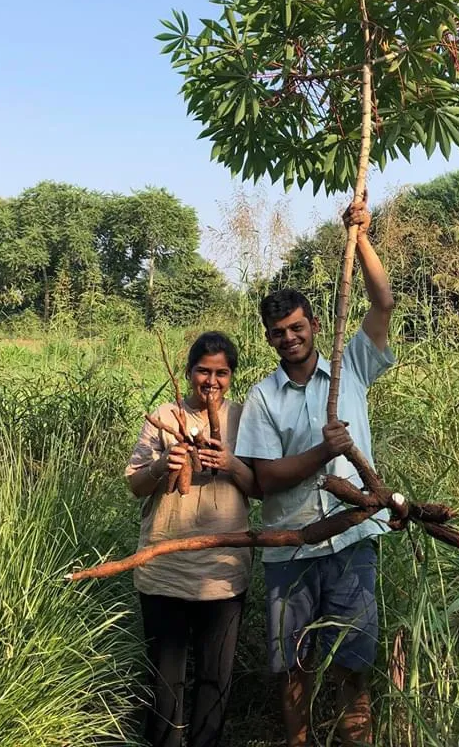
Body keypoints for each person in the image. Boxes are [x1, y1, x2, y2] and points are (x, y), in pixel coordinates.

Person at [235, 198, 395, 747]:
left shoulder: (350, 365)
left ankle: (358, 740)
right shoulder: (261, 398)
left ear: (315, 325)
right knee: (293, 666)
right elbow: (262, 481)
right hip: (291, 551)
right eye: (278, 332)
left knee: (354, 662)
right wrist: (322, 454)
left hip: (353, 538)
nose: (290, 338)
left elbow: (383, 300)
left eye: (297, 327)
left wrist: (361, 236)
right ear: (269, 338)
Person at [125, 331, 258, 747]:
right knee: (166, 679)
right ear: (188, 372)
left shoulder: (245, 419)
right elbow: (134, 484)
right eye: (204, 371)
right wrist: (165, 463)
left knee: (214, 679)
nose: (212, 381)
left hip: (223, 573)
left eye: (221, 372)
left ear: (232, 376)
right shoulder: (164, 416)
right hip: (164, 569)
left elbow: (259, 487)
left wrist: (231, 463)